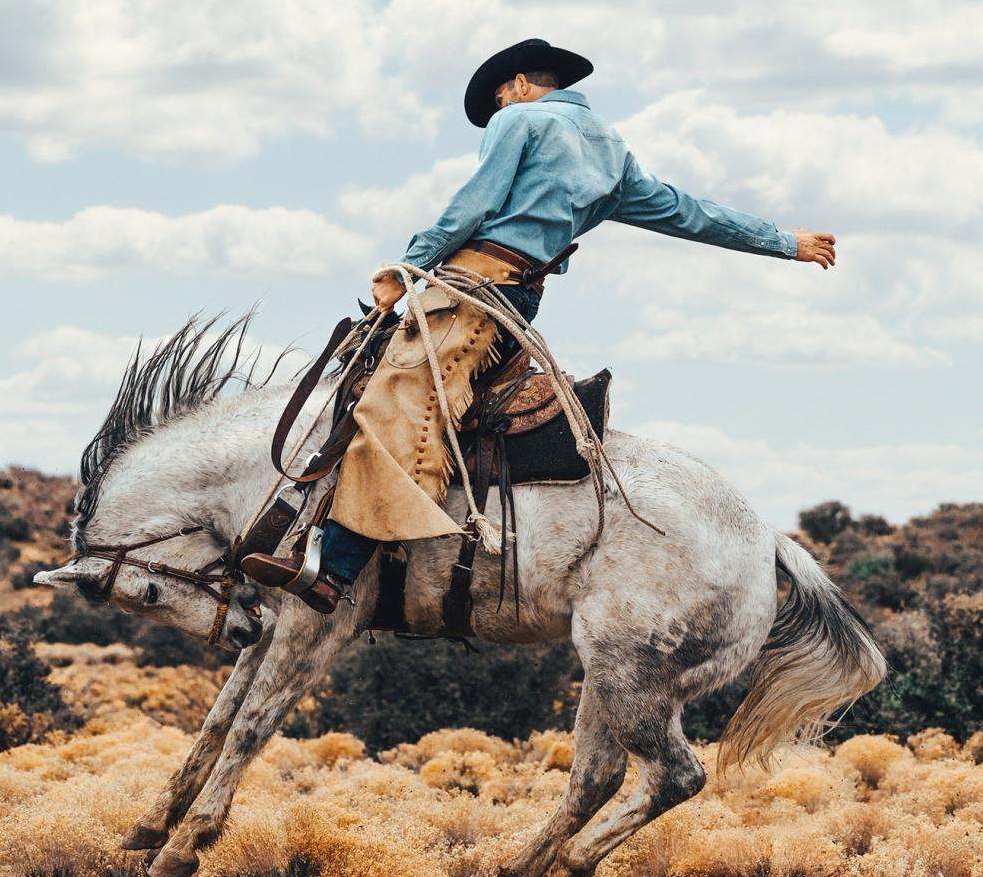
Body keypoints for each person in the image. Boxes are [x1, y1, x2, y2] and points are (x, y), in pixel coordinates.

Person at [242, 38, 836, 613]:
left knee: (402, 405)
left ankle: (335, 570)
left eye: (500, 98)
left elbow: (475, 203)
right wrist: (785, 242)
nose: (500, 109)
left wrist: (409, 267)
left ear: (520, 86)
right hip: (520, 301)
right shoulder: (615, 154)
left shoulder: (520, 121)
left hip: (476, 289)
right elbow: (690, 214)